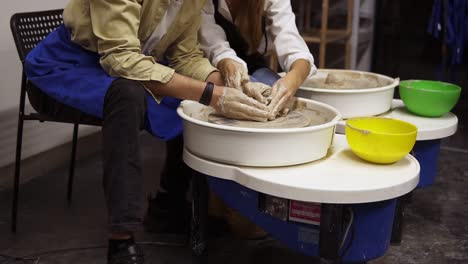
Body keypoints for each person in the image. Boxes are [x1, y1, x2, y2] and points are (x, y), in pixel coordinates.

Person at [24, 0, 271, 263]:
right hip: (61, 69)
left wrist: (236, 85)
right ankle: (121, 239)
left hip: (122, 67)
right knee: (129, 96)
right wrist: (213, 94)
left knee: (188, 100)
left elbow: (185, 57)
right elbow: (121, 59)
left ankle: (169, 207)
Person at [199, 0, 317, 117]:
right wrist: (227, 63)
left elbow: (294, 47)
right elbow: (213, 44)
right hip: (213, 66)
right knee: (241, 100)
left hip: (252, 62)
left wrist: (294, 78)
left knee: (278, 97)